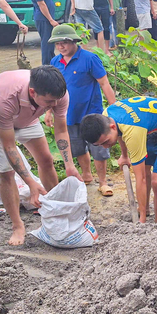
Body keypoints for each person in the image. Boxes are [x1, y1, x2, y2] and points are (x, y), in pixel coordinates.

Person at [0, 66, 81, 245]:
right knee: (7, 172)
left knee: (47, 159)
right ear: (33, 92)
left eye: (56, 100)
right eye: (50, 102)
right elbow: (9, 146)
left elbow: (61, 130)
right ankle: (17, 225)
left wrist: (69, 165)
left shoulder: (59, 94)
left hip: (28, 117)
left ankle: (56, 212)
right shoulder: (5, 98)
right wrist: (31, 183)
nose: (54, 105)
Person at [80, 96, 157, 224]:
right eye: (100, 145)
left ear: (111, 127)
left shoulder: (133, 132)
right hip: (148, 128)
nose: (105, 147)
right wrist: (124, 155)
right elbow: (120, 132)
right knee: (145, 169)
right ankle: (144, 210)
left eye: (106, 142)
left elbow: (140, 179)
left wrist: (140, 222)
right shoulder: (106, 115)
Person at [47, 24, 117, 195]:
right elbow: (52, 90)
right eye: (57, 44)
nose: (61, 47)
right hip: (68, 115)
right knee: (77, 147)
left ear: (74, 42)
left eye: (64, 42)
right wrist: (49, 111)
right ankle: (87, 176)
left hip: (91, 113)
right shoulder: (55, 62)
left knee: (99, 148)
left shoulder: (89, 58)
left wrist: (115, 109)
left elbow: (104, 83)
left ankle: (103, 182)